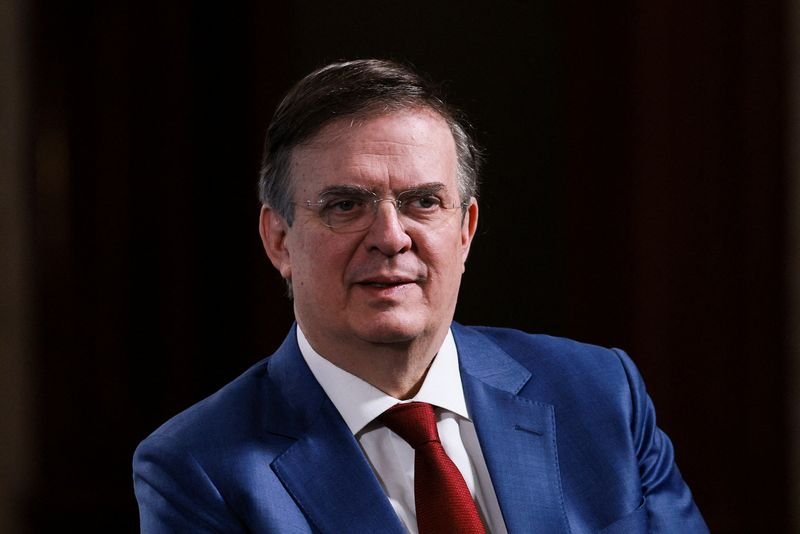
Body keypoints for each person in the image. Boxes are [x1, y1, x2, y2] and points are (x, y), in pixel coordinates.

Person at [133, 59, 708, 533]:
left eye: (423, 202)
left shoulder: (601, 395)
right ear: (279, 239)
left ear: (465, 231)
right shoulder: (198, 468)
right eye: (345, 206)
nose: (390, 237)